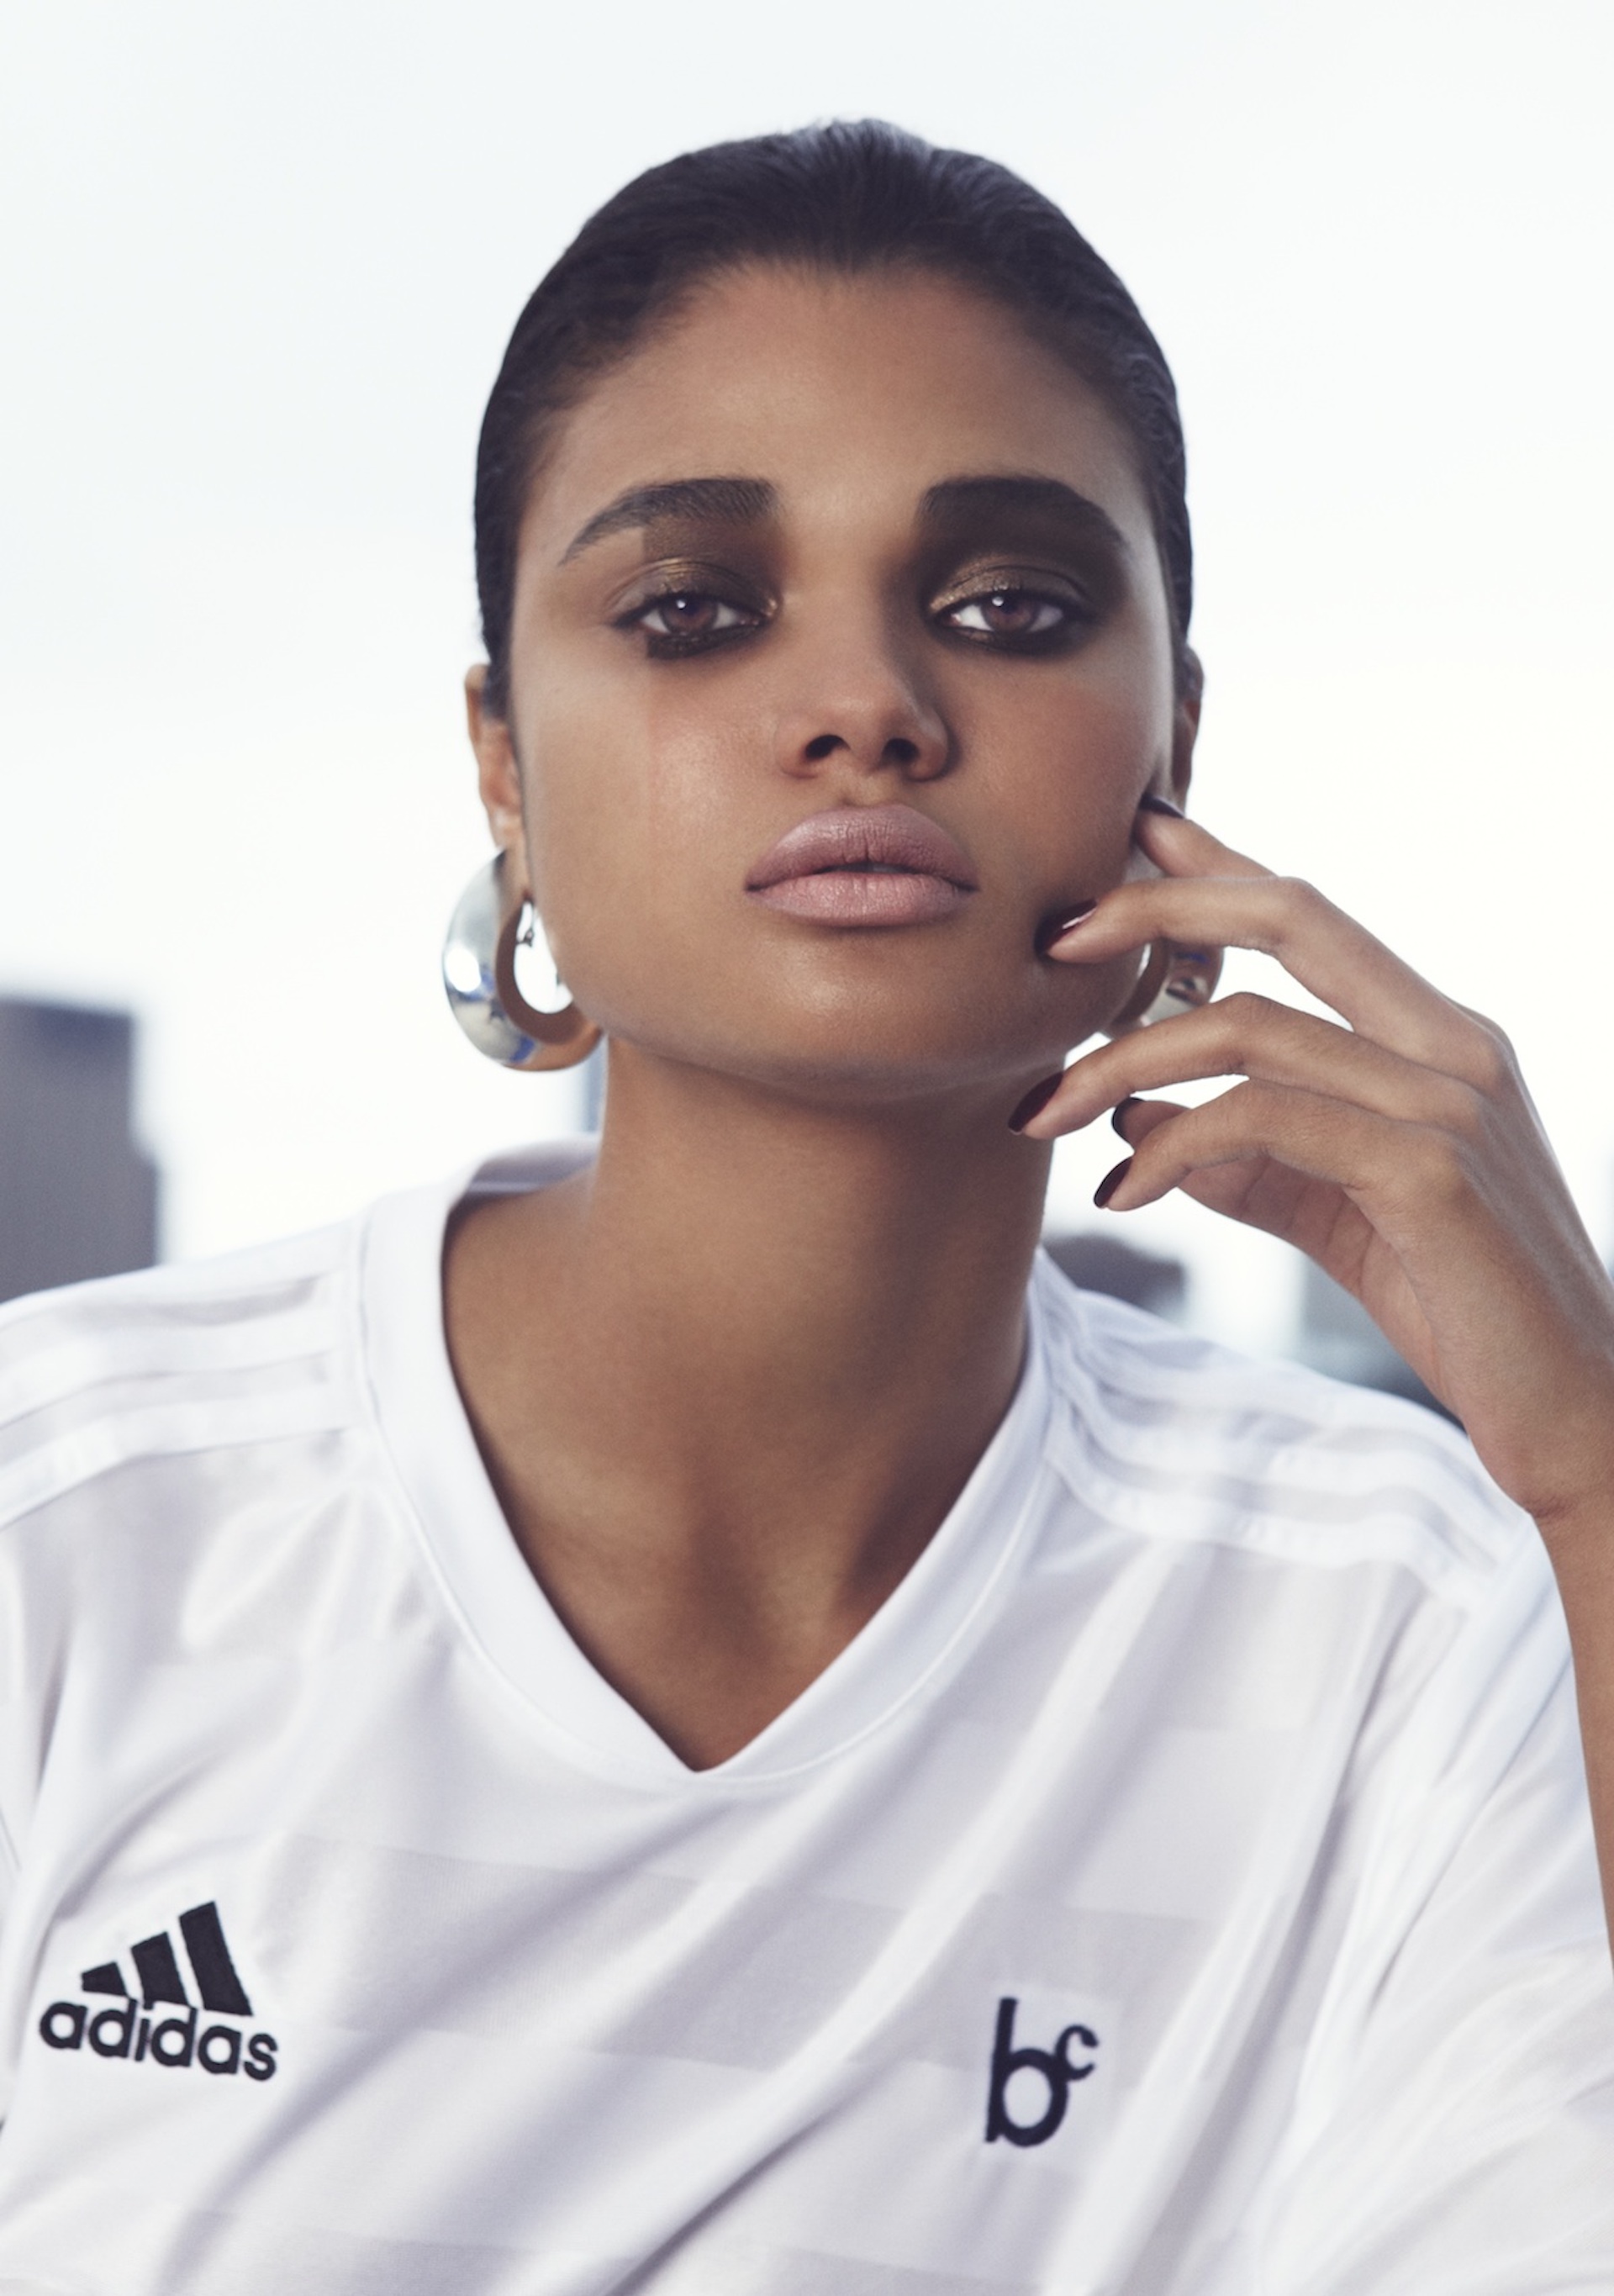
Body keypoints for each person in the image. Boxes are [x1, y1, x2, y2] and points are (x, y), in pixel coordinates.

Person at [0, 121, 1610, 2295]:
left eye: (1008, 606)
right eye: (693, 609)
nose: (864, 706)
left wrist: (1597, 1473)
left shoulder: (1415, 1620)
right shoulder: (64, 1520)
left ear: (1177, 736)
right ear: (504, 762)